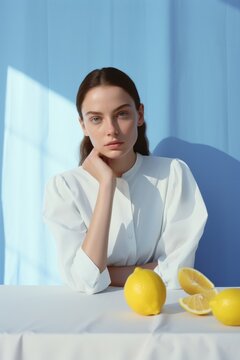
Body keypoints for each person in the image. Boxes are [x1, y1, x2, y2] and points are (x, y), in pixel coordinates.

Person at [43, 67, 208, 295]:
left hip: (161, 310)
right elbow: (86, 282)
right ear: (83, 125)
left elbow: (178, 273)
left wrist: (106, 273)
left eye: (122, 114)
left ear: (139, 115)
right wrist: (107, 185)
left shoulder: (174, 174)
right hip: (89, 317)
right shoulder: (64, 188)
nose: (111, 130)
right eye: (96, 119)